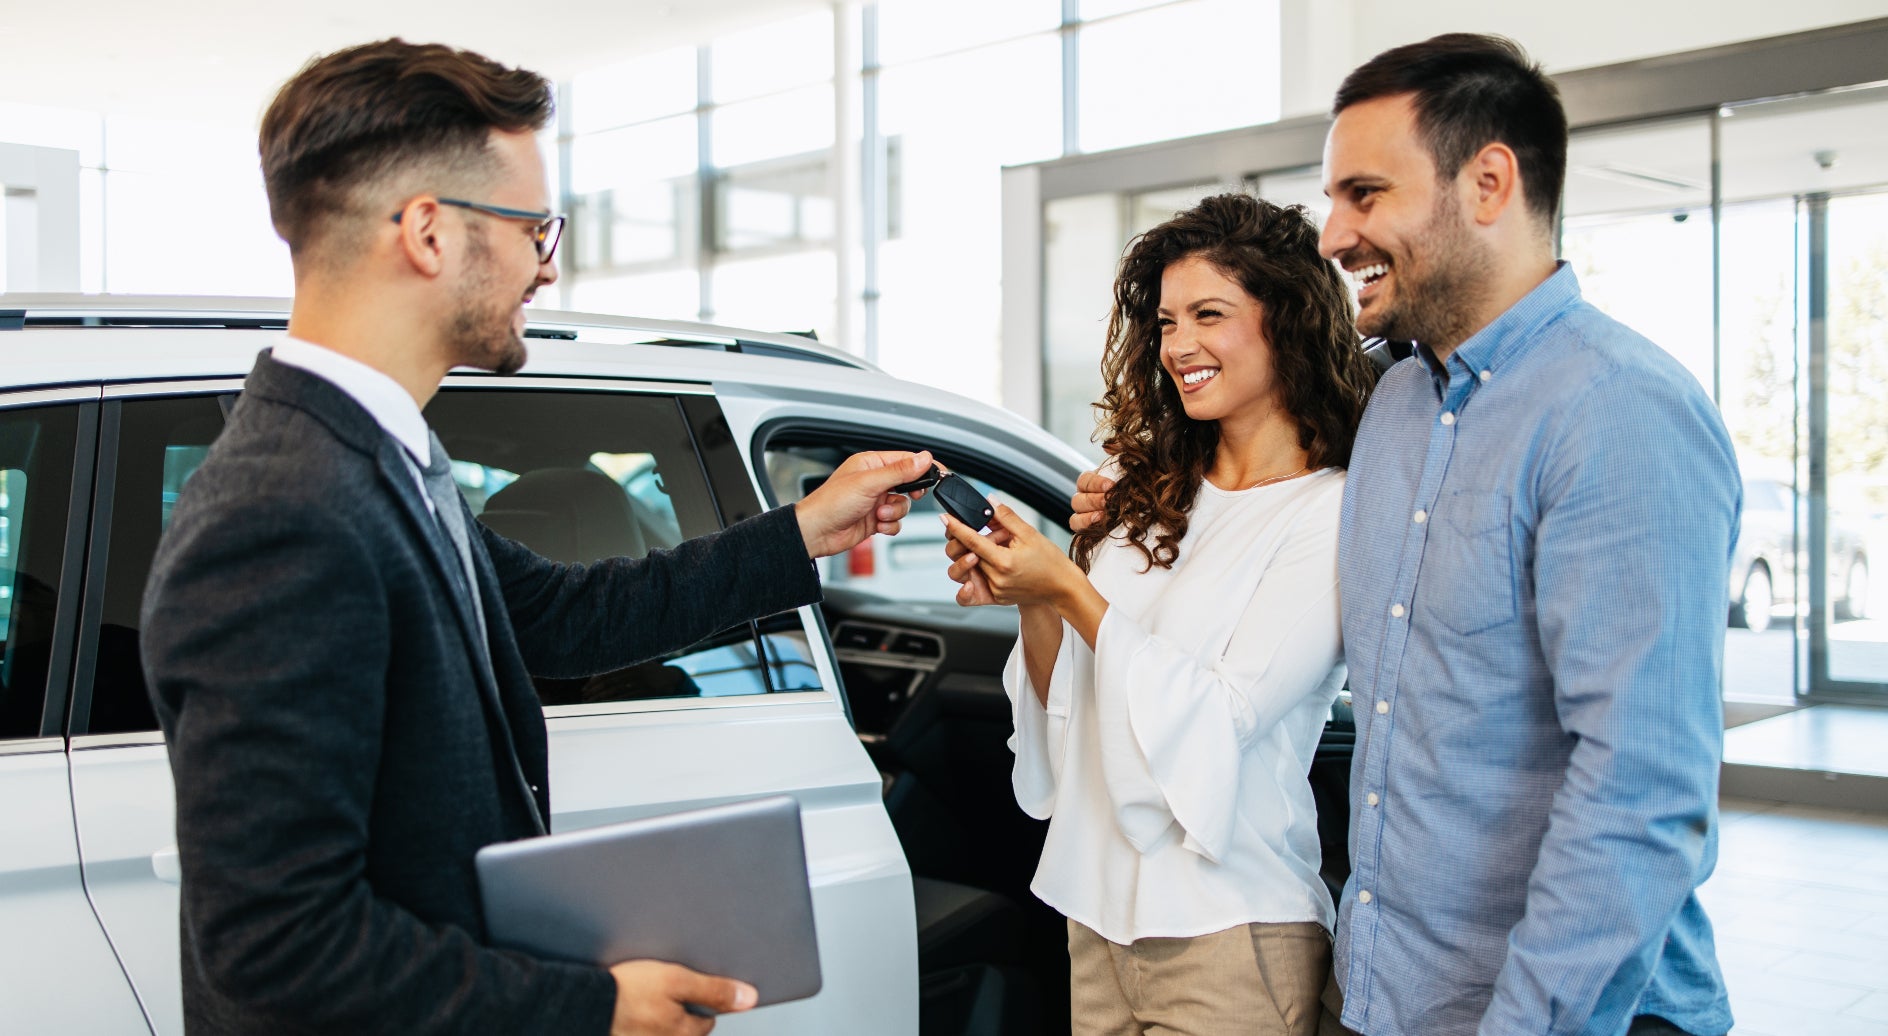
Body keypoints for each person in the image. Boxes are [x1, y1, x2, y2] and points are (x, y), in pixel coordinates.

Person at [140, 39, 934, 1036]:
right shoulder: (279, 520)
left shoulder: (380, 452)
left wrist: (801, 531)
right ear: (429, 232)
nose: (545, 268)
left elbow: (557, 614)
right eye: (533, 228)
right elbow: (279, 953)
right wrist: (590, 1004)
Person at [1068, 34, 1739, 1036]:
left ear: (1488, 181)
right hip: (1385, 990)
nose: (1333, 234)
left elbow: (1639, 799)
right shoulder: (1395, 409)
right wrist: (1142, 518)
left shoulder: (1619, 412)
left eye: (1364, 194)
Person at [944, 193, 1376, 1034]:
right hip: (1096, 920)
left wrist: (1071, 589)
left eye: (1208, 315)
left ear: (1285, 324)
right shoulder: (1144, 495)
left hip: (1232, 927)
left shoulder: (1330, 513)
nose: (1179, 346)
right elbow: (1074, 711)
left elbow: (1219, 717)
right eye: (1168, 321)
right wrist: (1036, 595)